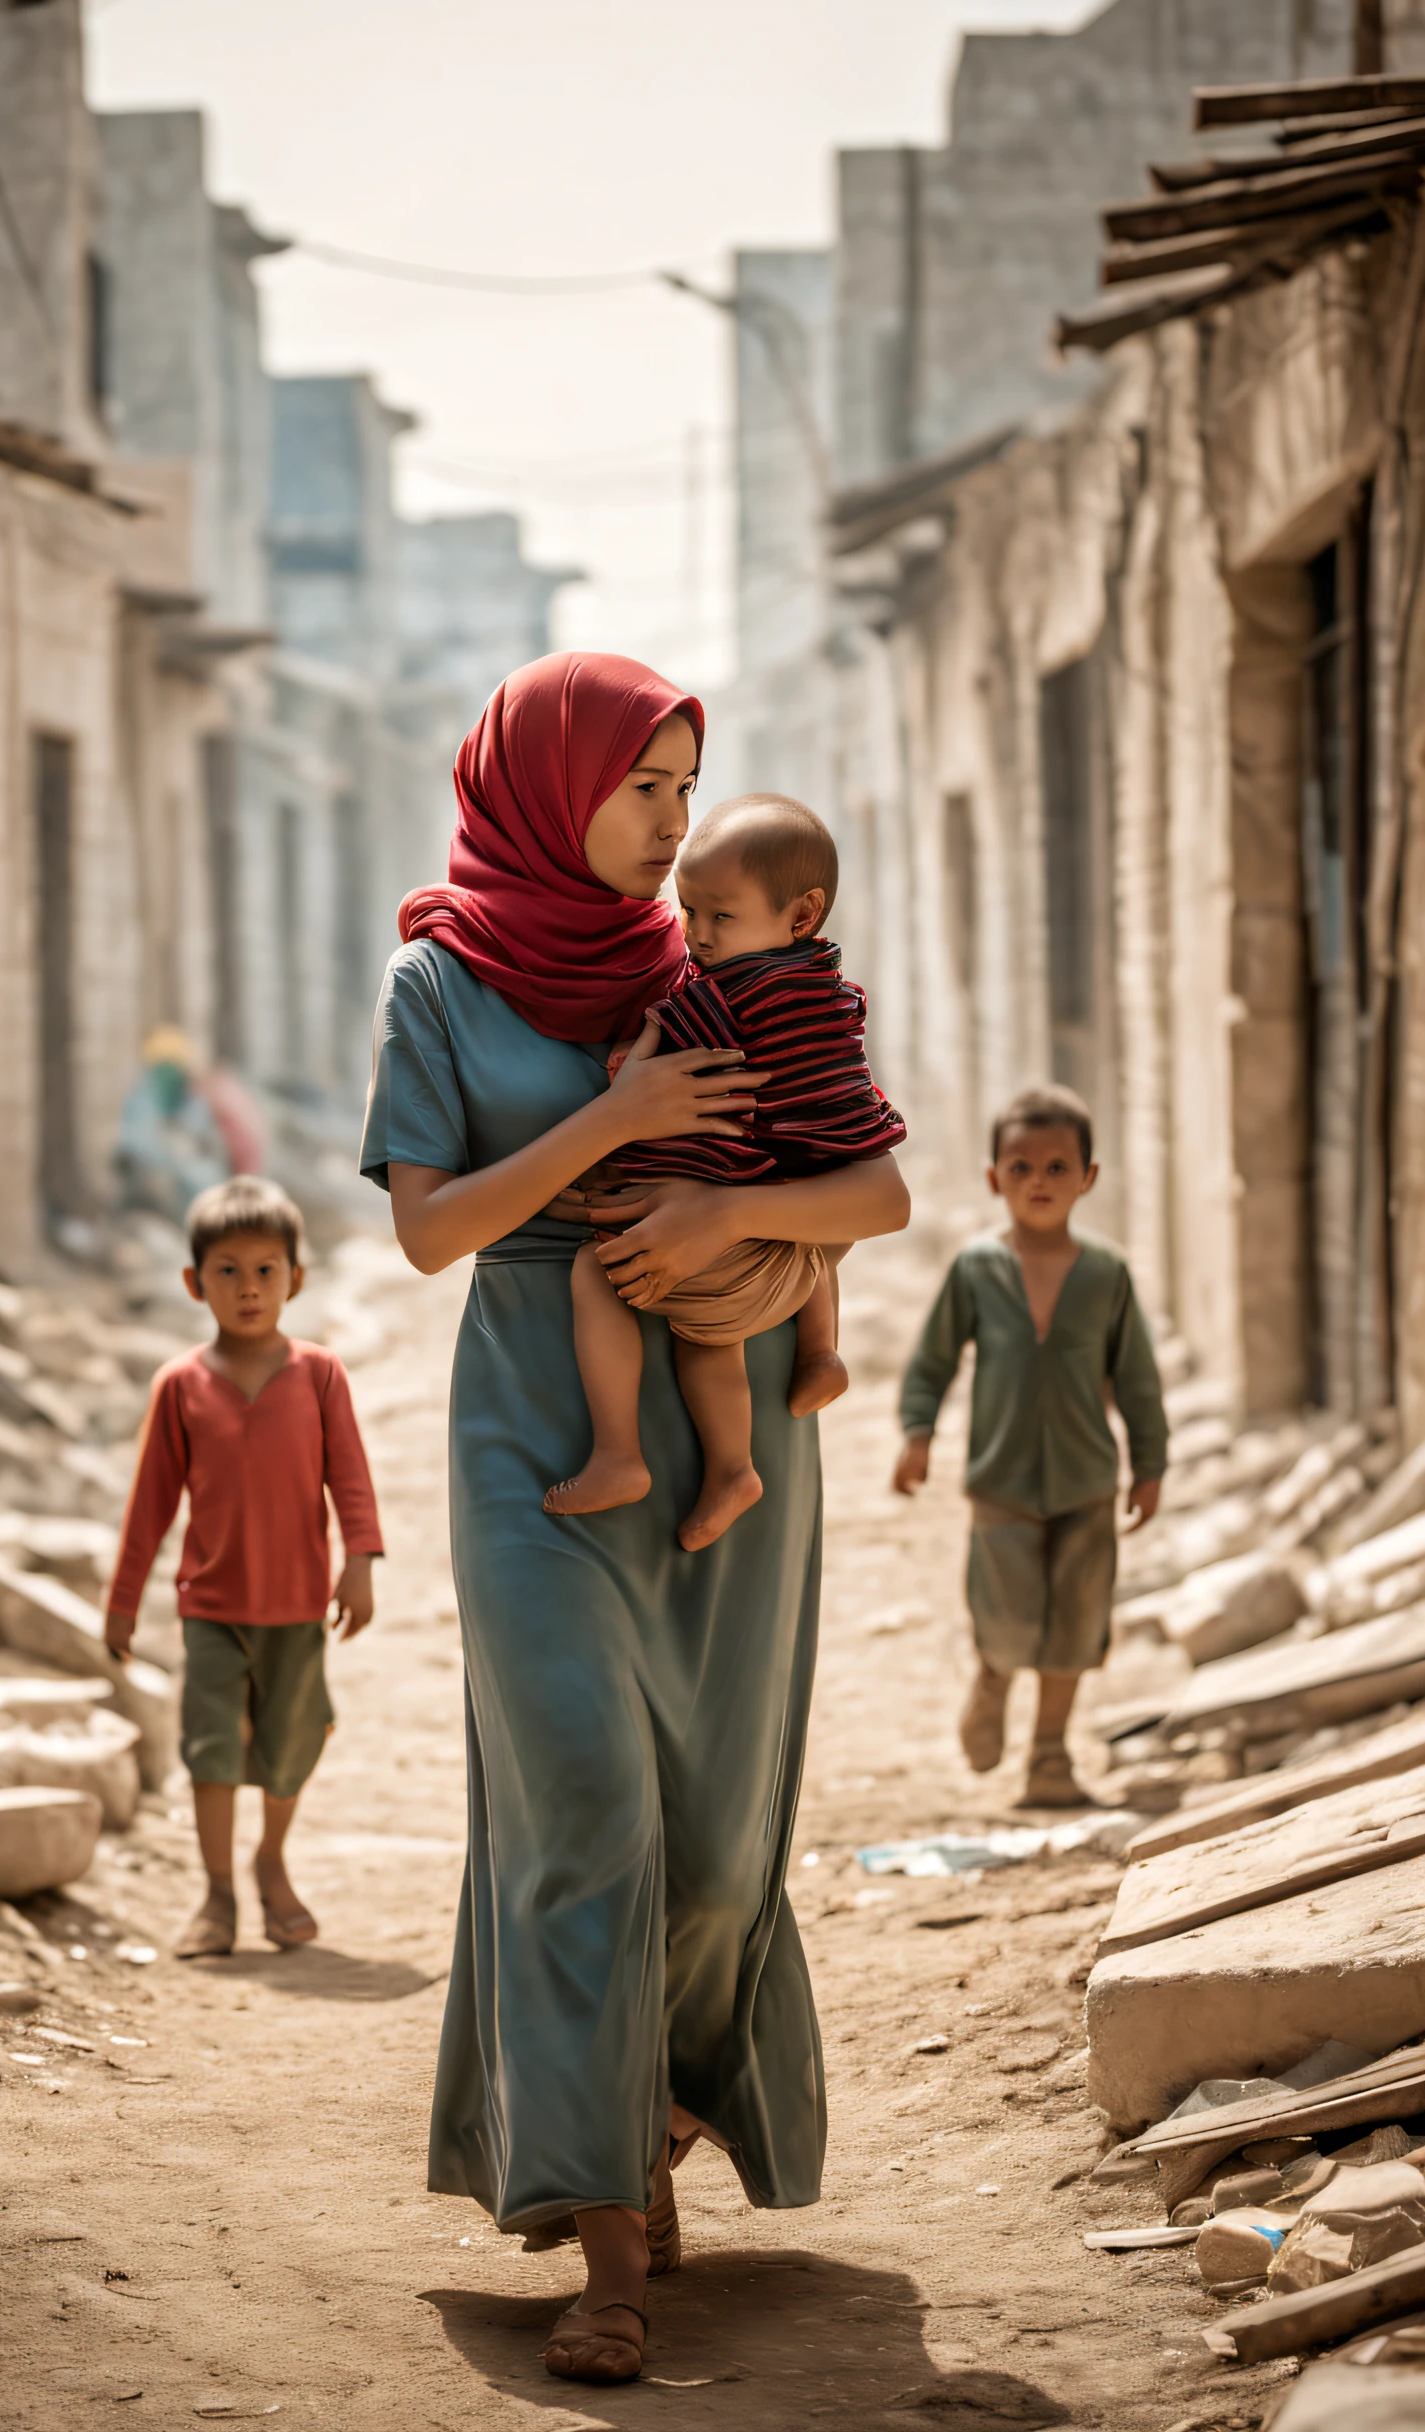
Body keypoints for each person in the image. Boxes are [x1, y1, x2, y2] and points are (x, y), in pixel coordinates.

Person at [362, 651, 909, 2387]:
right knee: (584, 1800)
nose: (671, 829)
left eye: (688, 791)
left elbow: (867, 1179)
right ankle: (606, 2252)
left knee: (722, 1843)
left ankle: (650, 2111)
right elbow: (430, 1234)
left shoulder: (720, 959)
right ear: (547, 783)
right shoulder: (435, 981)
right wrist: (610, 1121)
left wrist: (712, 1217)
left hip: (720, 1410)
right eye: (642, 789)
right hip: (537, 1421)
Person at [543, 792, 905, 1551]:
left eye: (720, 917)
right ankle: (817, 1355)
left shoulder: (732, 992)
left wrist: (628, 1068)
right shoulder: (827, 990)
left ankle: (622, 1453)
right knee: (811, 1205)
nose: (698, 937)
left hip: (726, 1252)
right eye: (689, 912)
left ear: (800, 914)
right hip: (791, 1232)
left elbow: (651, 1061)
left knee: (610, 1283)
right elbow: (844, 1152)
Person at [104, 1176, 384, 1959]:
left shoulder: (321, 1374)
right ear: (196, 1283)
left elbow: (350, 1476)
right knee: (212, 1749)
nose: (249, 1287)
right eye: (228, 1270)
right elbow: (150, 1506)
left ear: (296, 1278)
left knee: (293, 1742)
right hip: (212, 1607)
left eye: (266, 1270)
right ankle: (218, 1893)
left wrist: (360, 1559)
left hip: (298, 1606)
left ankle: (271, 1861)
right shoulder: (180, 1387)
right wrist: (123, 1602)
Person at [892, 1085, 1167, 1808]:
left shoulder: (1107, 1275)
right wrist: (917, 1432)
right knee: (1008, 1615)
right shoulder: (977, 1269)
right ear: (994, 1180)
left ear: (1088, 1178)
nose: (1038, 1182)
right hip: (1000, 1480)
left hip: (1084, 1479)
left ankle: (1050, 1758)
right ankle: (992, 1679)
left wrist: (1151, 1463)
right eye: (1020, 1168)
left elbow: (1136, 1377)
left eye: (1055, 1167)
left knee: (1075, 1624)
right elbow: (934, 1359)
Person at [114, 1026, 230, 1223]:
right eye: (162, 1068)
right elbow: (134, 1141)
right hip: (149, 1181)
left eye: (171, 1067)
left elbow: (199, 1138)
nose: (167, 1075)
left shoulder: (191, 1098)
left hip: (190, 1180)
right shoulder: (143, 1096)